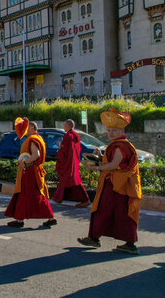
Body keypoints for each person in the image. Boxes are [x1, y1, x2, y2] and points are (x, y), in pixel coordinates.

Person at [78, 108, 142, 255]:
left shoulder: (120, 145)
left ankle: (94, 238)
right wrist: (100, 156)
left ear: (121, 131)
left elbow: (114, 165)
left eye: (114, 130)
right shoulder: (119, 144)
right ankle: (129, 243)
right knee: (121, 212)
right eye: (109, 130)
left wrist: (98, 167)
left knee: (103, 210)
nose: (111, 133)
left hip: (116, 185)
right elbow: (114, 162)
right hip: (119, 184)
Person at [5, 118, 57, 228]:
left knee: (29, 194)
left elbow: (36, 155)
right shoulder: (38, 138)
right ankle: (21, 219)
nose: (25, 130)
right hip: (34, 170)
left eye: (27, 127)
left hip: (30, 171)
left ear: (32, 128)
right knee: (33, 195)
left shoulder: (32, 139)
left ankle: (20, 221)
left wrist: (24, 162)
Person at [53, 119, 90, 207]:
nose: (64, 127)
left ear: (69, 126)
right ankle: (57, 198)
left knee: (72, 181)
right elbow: (74, 149)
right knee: (70, 180)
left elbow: (65, 150)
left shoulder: (68, 136)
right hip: (73, 162)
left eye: (65, 126)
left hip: (68, 163)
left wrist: (59, 147)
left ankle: (85, 200)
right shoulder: (76, 135)